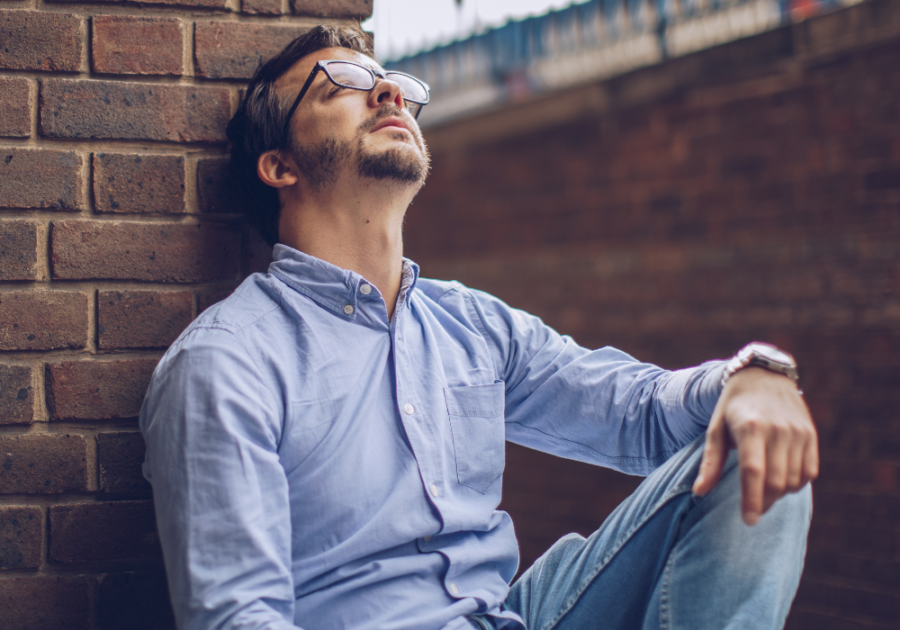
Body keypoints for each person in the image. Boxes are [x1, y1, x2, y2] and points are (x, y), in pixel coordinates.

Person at [140, 25, 817, 630]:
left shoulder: (471, 324)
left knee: (751, 453)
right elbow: (237, 617)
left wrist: (753, 377)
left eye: (392, 83)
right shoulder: (226, 364)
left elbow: (640, 413)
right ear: (279, 166)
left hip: (513, 615)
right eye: (342, 85)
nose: (388, 96)